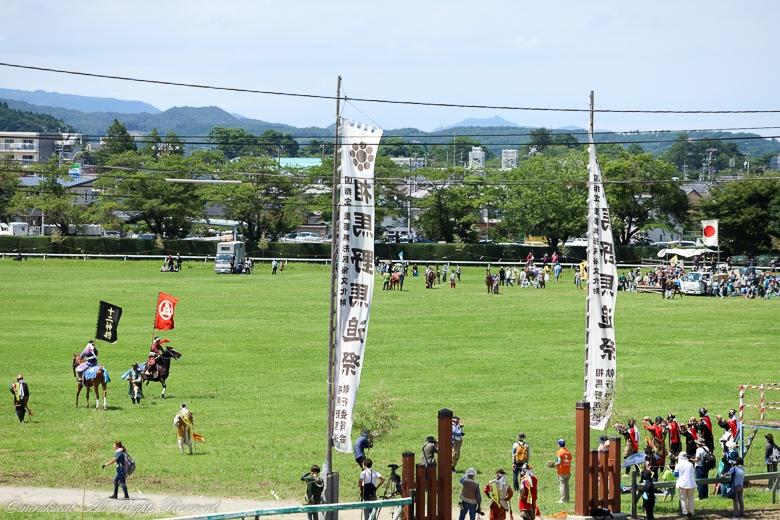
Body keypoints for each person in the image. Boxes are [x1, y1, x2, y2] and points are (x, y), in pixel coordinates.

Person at [674, 452, 696, 518]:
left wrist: (672, 472)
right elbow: (693, 472)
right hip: (691, 483)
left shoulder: (678, 465)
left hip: (682, 483)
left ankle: (685, 512)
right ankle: (690, 512)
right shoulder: (690, 464)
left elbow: (676, 474)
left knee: (683, 498)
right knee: (691, 498)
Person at [553, 438, 572, 503]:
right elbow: (570, 459)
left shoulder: (559, 452)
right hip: (568, 471)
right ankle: (567, 499)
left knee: (562, 485)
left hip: (562, 471)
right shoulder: (568, 452)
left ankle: (563, 499)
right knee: (566, 485)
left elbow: (559, 461)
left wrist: (553, 465)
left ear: (559, 444)